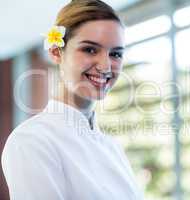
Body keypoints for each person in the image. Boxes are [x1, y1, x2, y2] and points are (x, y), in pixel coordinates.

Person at [1, 0, 144, 199]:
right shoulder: (31, 141)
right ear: (56, 52)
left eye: (116, 54)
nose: (105, 66)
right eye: (90, 50)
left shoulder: (112, 147)